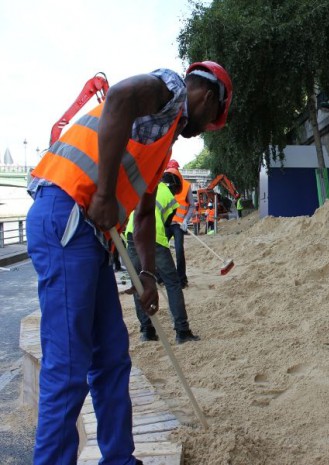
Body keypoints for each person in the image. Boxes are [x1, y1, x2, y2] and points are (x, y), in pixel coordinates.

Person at [25, 60, 232, 465]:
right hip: (69, 211)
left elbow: (143, 217)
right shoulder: (170, 92)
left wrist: (148, 276)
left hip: (92, 236)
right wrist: (103, 193)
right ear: (207, 98)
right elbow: (118, 96)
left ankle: (120, 458)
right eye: (211, 120)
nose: (204, 128)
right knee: (68, 366)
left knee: (111, 357)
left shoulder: (163, 142)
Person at [125, 173, 200, 344]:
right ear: (174, 187)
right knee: (172, 283)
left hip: (131, 235)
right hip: (154, 237)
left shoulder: (145, 185)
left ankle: (147, 331)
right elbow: (166, 225)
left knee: (139, 284)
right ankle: (182, 331)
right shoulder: (169, 196)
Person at [164, 160, 194, 288]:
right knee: (161, 249)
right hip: (166, 223)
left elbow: (192, 206)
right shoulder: (163, 185)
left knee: (179, 251)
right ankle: (161, 277)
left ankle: (182, 279)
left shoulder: (186, 186)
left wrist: (186, 220)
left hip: (179, 225)